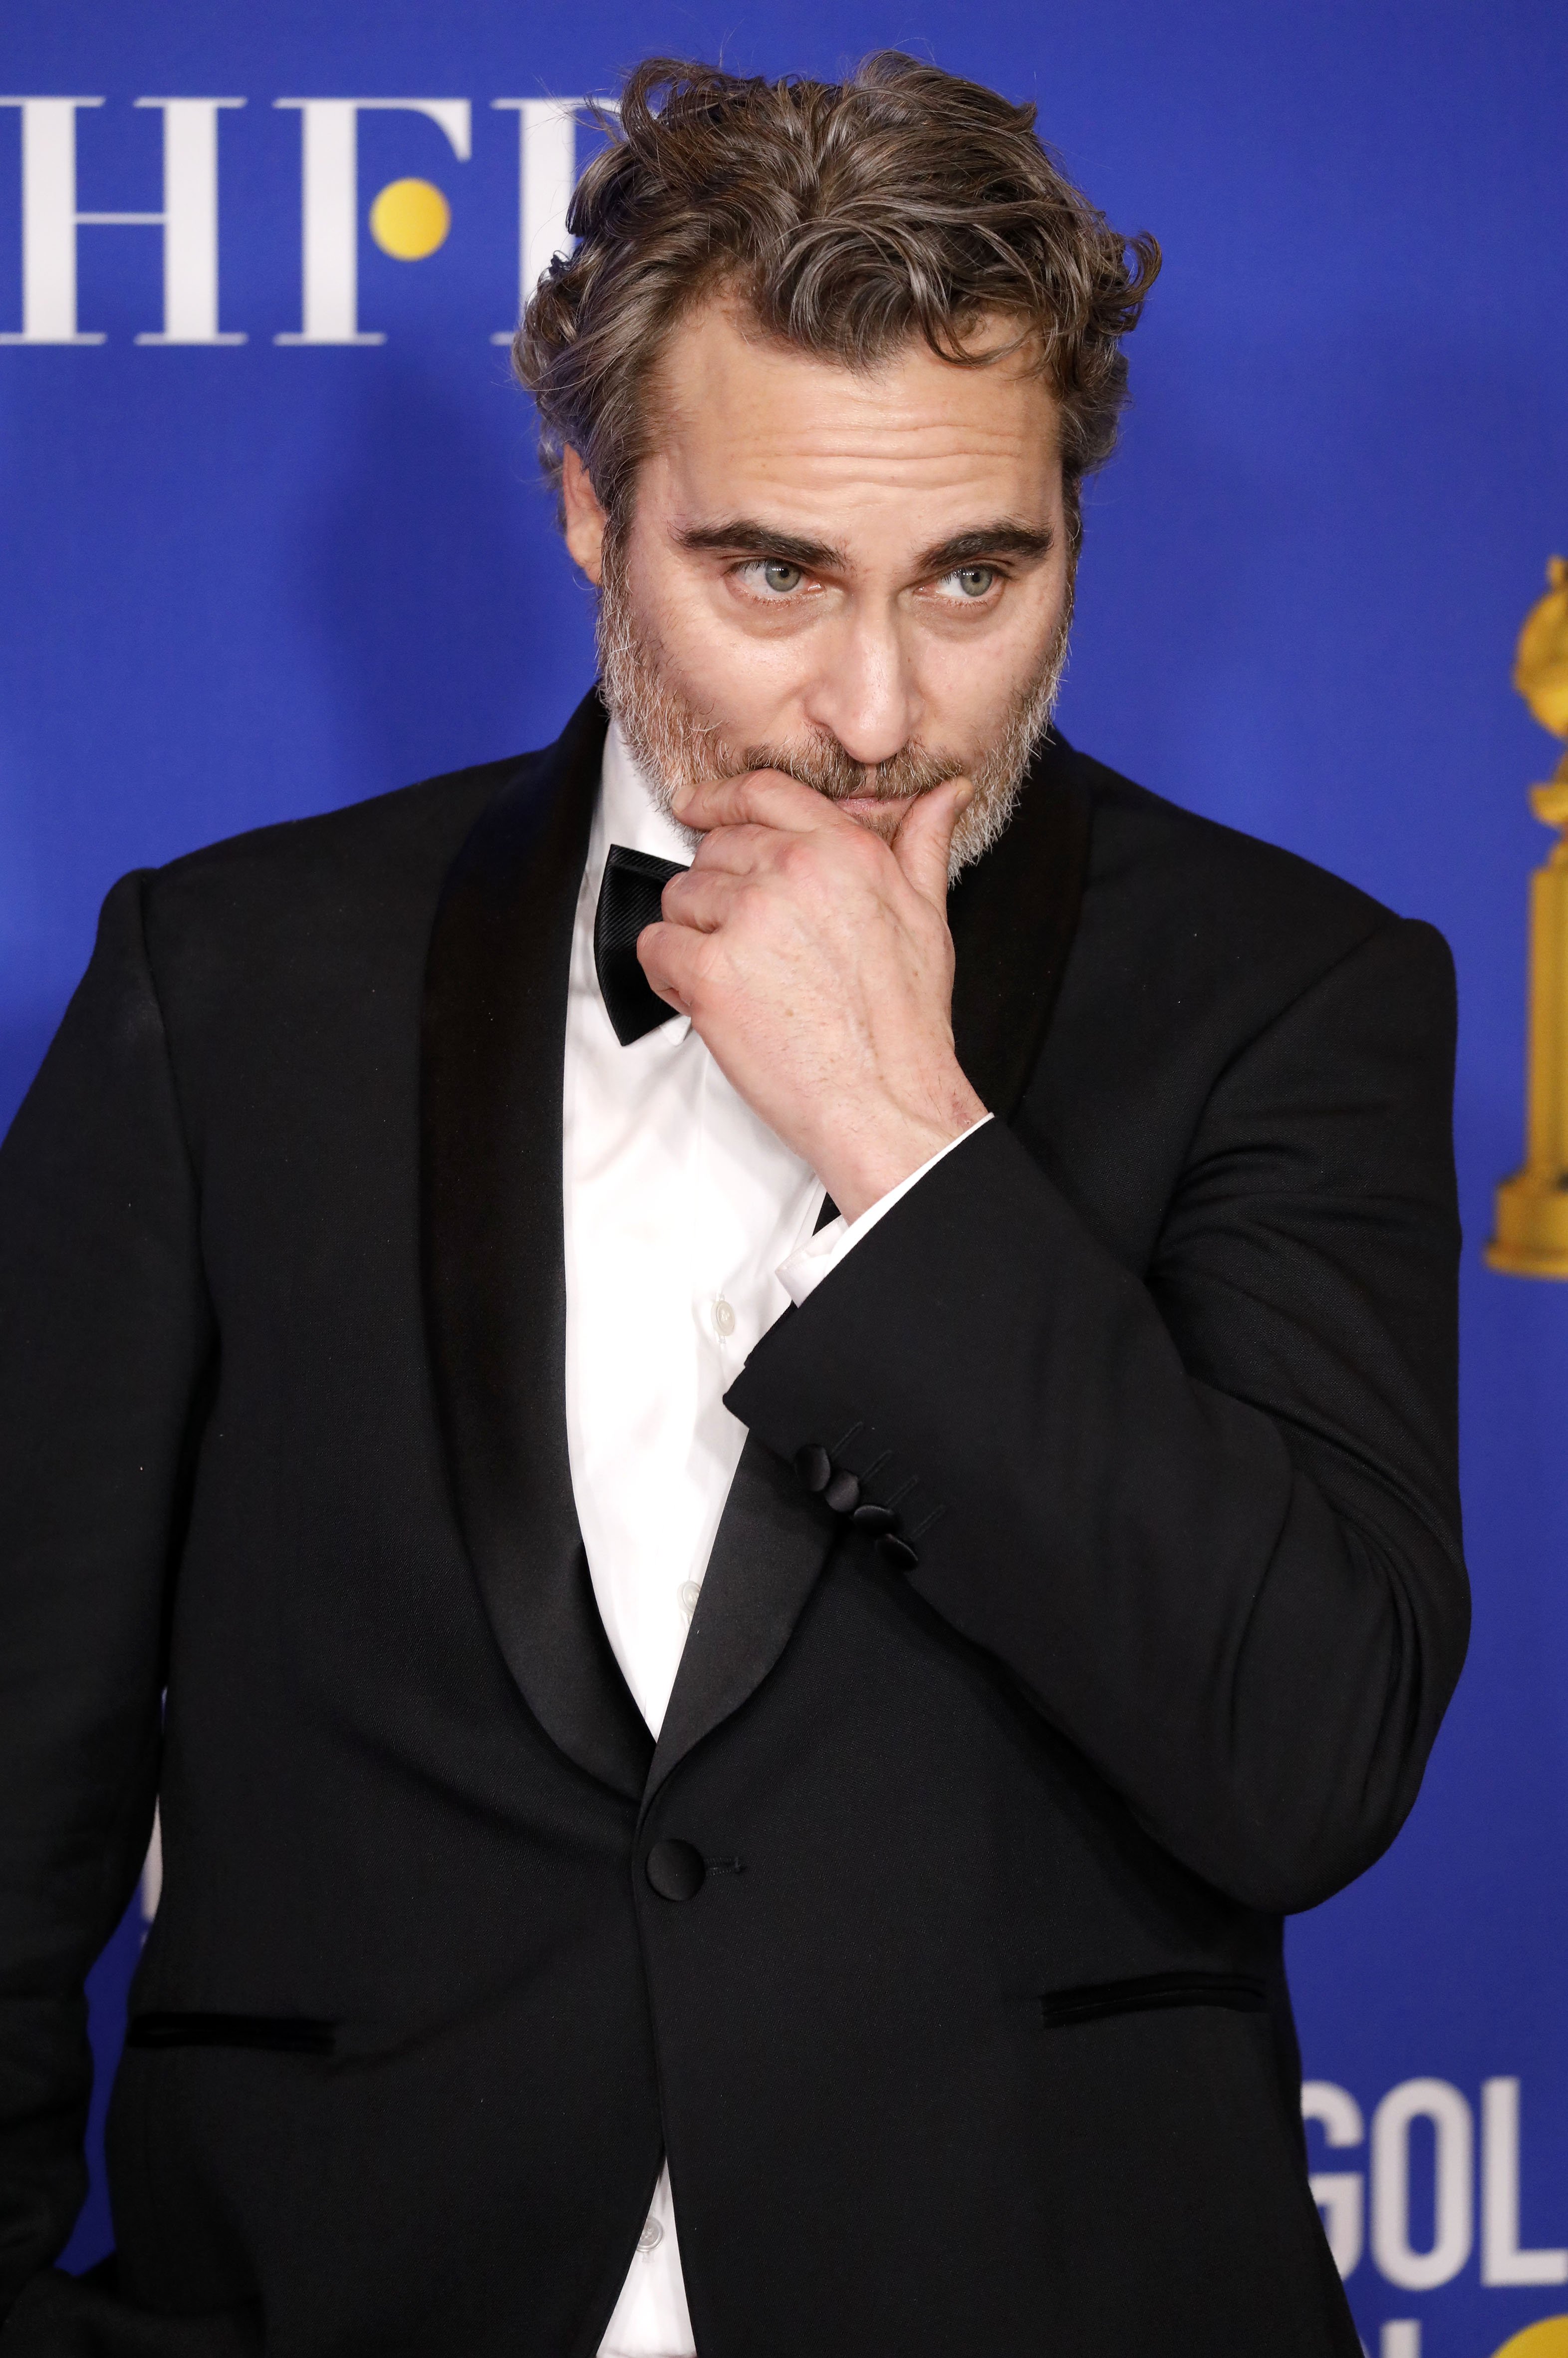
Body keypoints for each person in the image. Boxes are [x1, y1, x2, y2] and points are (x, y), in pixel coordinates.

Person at [0, 52, 1466, 2358]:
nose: (879, 712)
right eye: (771, 571)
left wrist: (914, 1139)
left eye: (976, 574)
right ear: (589, 510)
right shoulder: (232, 980)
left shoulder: (1293, 995)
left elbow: (1304, 1752)